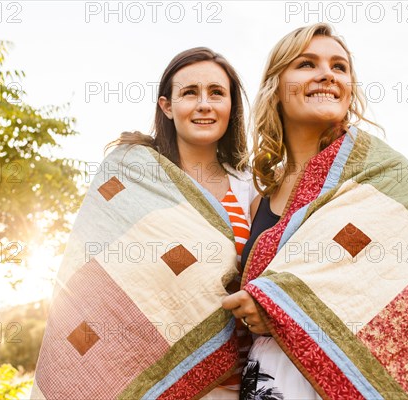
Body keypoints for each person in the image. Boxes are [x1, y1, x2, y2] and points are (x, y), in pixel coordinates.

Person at [223, 23, 408, 399]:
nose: (327, 74)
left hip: (357, 372)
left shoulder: (380, 173)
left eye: (339, 67)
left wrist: (279, 305)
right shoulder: (258, 201)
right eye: (307, 64)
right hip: (271, 379)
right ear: (276, 86)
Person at [30, 47, 258, 400]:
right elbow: (93, 276)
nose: (204, 104)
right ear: (167, 106)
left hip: (228, 382)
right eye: (189, 93)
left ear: (231, 106)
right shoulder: (132, 174)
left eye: (216, 93)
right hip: (140, 370)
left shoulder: (251, 187)